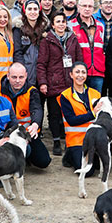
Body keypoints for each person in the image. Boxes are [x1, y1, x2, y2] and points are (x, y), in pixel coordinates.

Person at [38, 11, 83, 156]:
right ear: (52, 24)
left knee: (69, 112)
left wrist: (79, 77)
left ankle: (70, 141)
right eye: (58, 21)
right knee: (54, 113)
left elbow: (78, 60)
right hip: (54, 82)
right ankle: (56, 141)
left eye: (63, 21)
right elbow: (41, 64)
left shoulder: (73, 39)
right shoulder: (47, 41)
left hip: (70, 82)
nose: (61, 24)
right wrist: (43, 82)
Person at [0, 63, 51, 169]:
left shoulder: (31, 91)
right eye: (14, 77)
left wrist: (35, 124)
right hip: (5, 133)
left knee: (43, 161)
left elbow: (37, 109)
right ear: (8, 76)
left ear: (26, 76)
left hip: (26, 132)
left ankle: (26, 158)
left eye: (21, 77)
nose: (17, 81)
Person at [58, 62, 102, 169]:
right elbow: (71, 120)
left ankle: (72, 155)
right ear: (71, 75)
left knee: (97, 166)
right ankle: (70, 155)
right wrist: (92, 114)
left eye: (83, 72)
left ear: (87, 75)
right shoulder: (65, 96)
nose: (80, 75)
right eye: (77, 72)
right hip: (76, 140)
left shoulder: (96, 94)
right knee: (87, 171)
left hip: (93, 138)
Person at [69, 0, 105, 92]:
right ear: (78, 7)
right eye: (84, 6)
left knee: (95, 103)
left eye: (90, 6)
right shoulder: (71, 25)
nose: (87, 9)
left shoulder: (101, 26)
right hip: (79, 72)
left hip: (97, 71)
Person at [12, 0, 48, 86]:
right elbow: (17, 52)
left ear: (39, 11)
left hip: (42, 74)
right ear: (25, 11)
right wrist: (22, 72)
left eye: (35, 9)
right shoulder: (18, 29)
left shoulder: (45, 29)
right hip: (25, 73)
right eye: (29, 9)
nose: (33, 12)